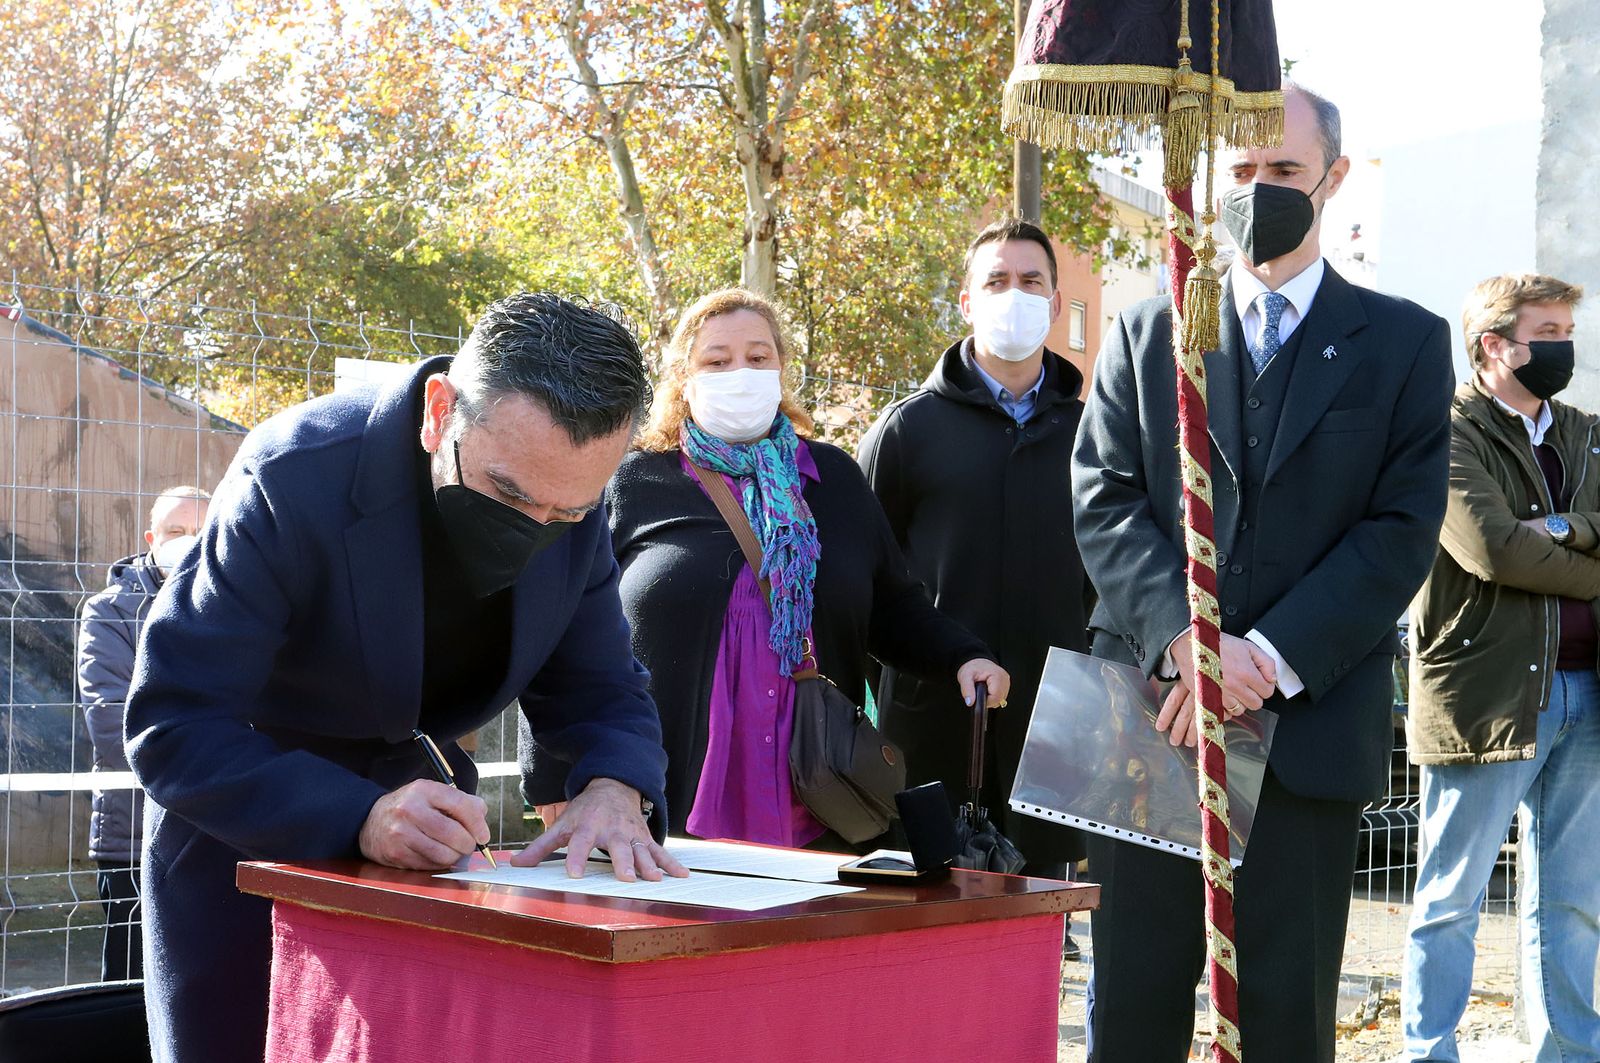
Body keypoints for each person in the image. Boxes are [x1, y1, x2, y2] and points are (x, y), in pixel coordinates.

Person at [125, 292, 687, 1063]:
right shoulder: (293, 474)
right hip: (248, 833)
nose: (539, 528)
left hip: (428, 859)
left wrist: (616, 788)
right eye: (510, 495)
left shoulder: (569, 502)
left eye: (566, 513)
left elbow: (601, 686)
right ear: (438, 411)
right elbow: (173, 725)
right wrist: (359, 814)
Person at [1070, 83, 1454, 1061]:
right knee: (1134, 1010)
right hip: (1151, 719)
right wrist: (1188, 644)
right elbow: (1104, 497)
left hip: (1305, 728)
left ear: (1333, 177)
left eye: (1281, 170)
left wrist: (1265, 656)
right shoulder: (1144, 331)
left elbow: (1401, 527)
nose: (1259, 188)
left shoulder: (1406, 342)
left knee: (1284, 1018)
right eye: (1239, 171)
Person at [524, 288, 1009, 848]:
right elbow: (555, 623)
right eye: (717, 360)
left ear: (781, 370)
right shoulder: (632, 482)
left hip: (814, 794)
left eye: (758, 358)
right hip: (661, 795)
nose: (740, 372)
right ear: (684, 377)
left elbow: (894, 606)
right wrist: (551, 775)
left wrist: (963, 655)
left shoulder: (836, 479)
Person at [857, 217, 1088, 902]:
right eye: (996, 281)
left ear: (1053, 302)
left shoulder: (1093, 433)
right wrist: (913, 680)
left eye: (1030, 281)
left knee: (1041, 922)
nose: (1012, 295)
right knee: (924, 928)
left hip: (1056, 727)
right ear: (966, 300)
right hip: (929, 727)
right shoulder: (907, 430)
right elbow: (867, 583)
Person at [1402, 274, 1600, 1063]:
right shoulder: (1442, 433)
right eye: (1547, 330)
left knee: (1574, 900)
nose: (1564, 346)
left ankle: (1572, 1053)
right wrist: (1589, 552)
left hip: (1587, 691)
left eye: (1566, 329)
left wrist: (1557, 525)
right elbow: (1489, 547)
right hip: (1486, 694)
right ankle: (1428, 1053)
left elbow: (1527, 543)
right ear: (1494, 345)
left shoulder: (1584, 431)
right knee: (1451, 897)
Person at [76, 485, 209, 981]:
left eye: (200, 532)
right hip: (133, 836)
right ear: (152, 538)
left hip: (223, 835)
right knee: (130, 992)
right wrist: (222, 758)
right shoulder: (110, 611)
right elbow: (113, 726)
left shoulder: (239, 604)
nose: (189, 542)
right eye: (177, 532)